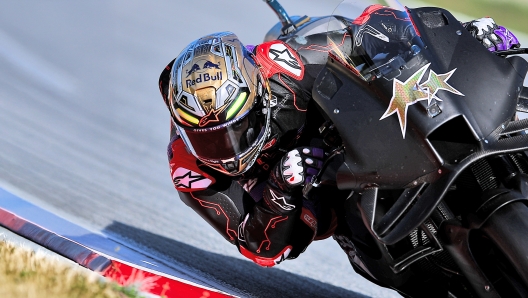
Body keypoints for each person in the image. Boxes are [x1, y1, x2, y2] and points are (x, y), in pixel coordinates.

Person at [158, 4, 520, 296]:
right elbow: (261, 248)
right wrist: (281, 189)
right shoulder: (189, 168)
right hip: (329, 192)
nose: (227, 151)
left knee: (486, 93)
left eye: (237, 130)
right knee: (388, 267)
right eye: (208, 139)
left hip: (360, 132)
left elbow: (372, 25)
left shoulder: (283, 65)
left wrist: (467, 36)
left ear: (258, 97)